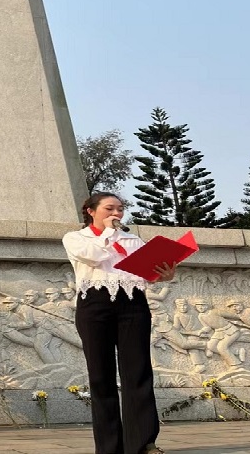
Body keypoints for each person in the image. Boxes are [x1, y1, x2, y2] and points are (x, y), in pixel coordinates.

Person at [63, 192, 175, 454]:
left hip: (133, 304)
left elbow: (143, 273)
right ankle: (109, 446)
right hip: (94, 305)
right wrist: (109, 233)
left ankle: (144, 442)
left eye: (120, 209)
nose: (116, 214)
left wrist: (164, 274)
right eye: (109, 209)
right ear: (91, 211)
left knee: (138, 371)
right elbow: (94, 257)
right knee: (101, 375)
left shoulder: (133, 239)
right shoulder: (75, 238)